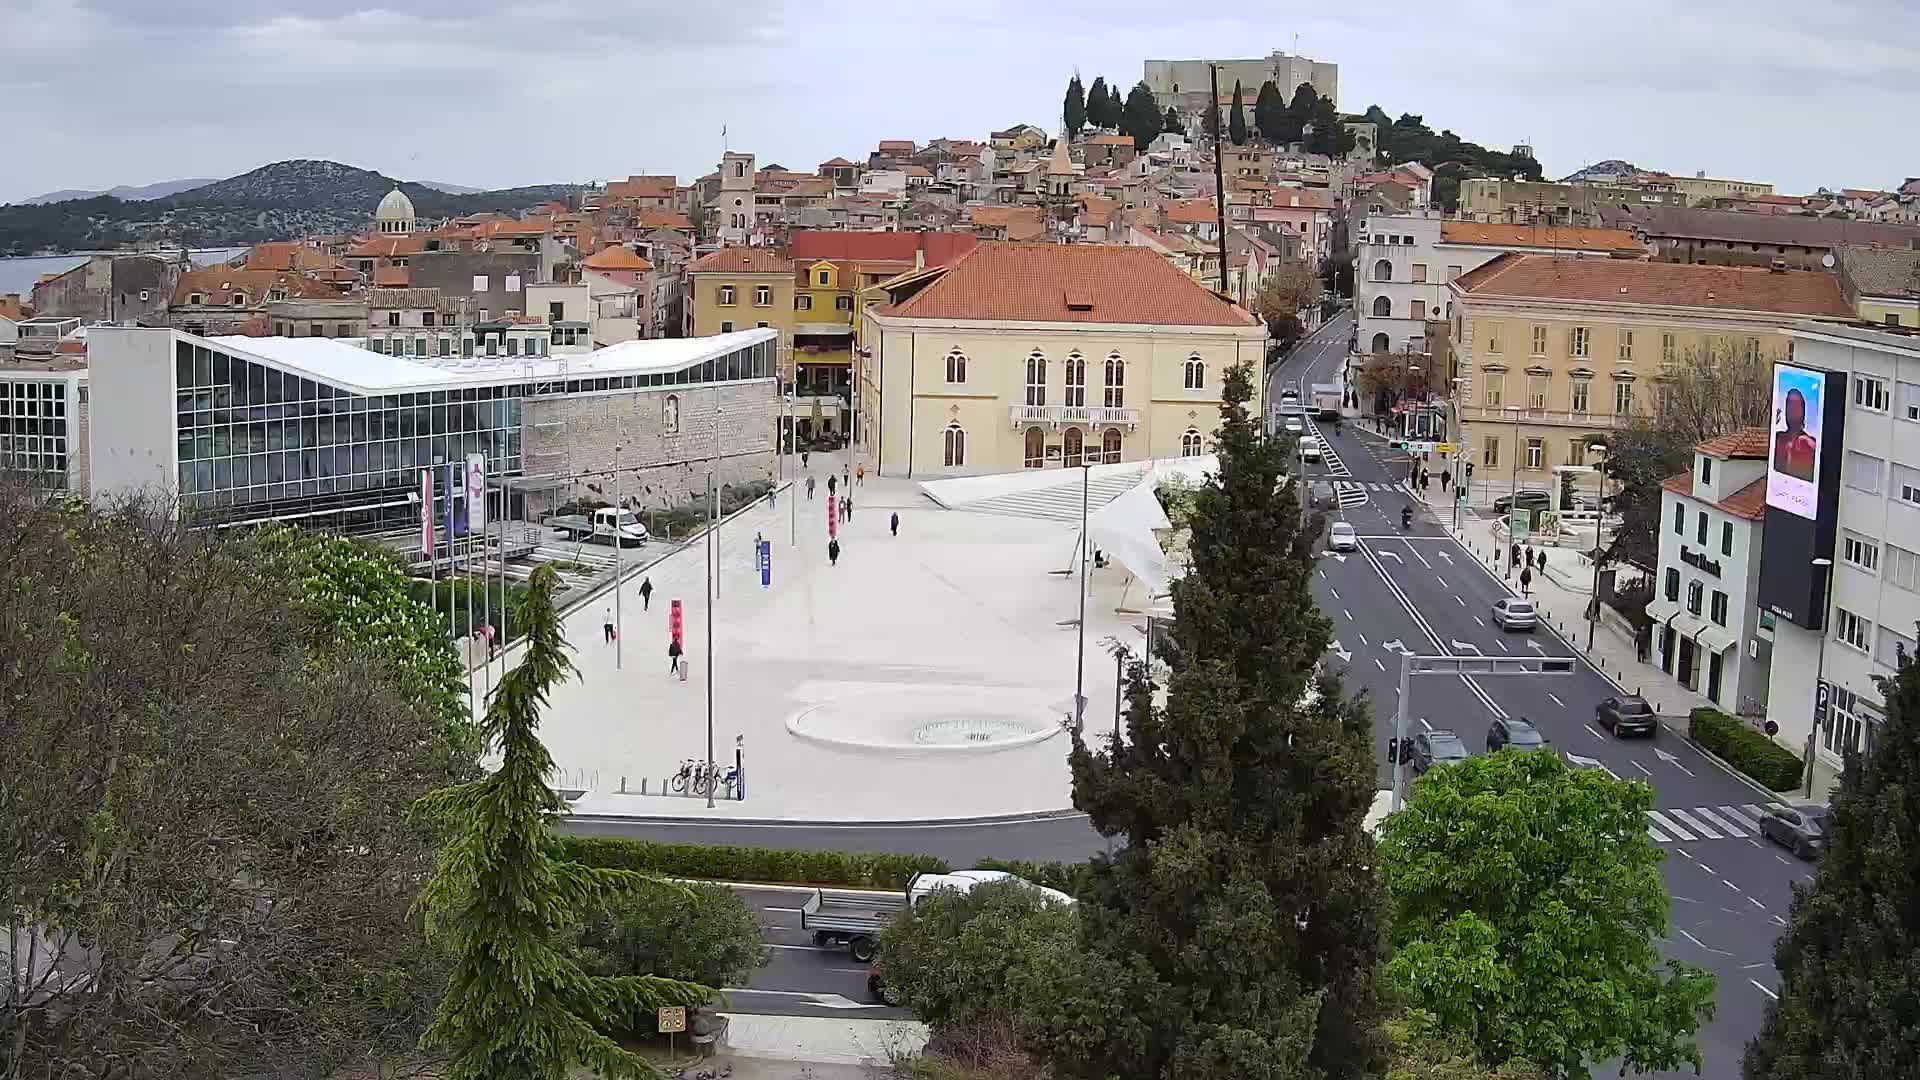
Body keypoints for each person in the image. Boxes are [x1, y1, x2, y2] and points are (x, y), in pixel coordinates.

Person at [1772, 386, 1818, 481]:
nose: (1791, 410)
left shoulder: (1810, 444)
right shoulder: (1777, 439)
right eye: (1788, 405)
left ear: (1803, 410)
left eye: (1795, 406)